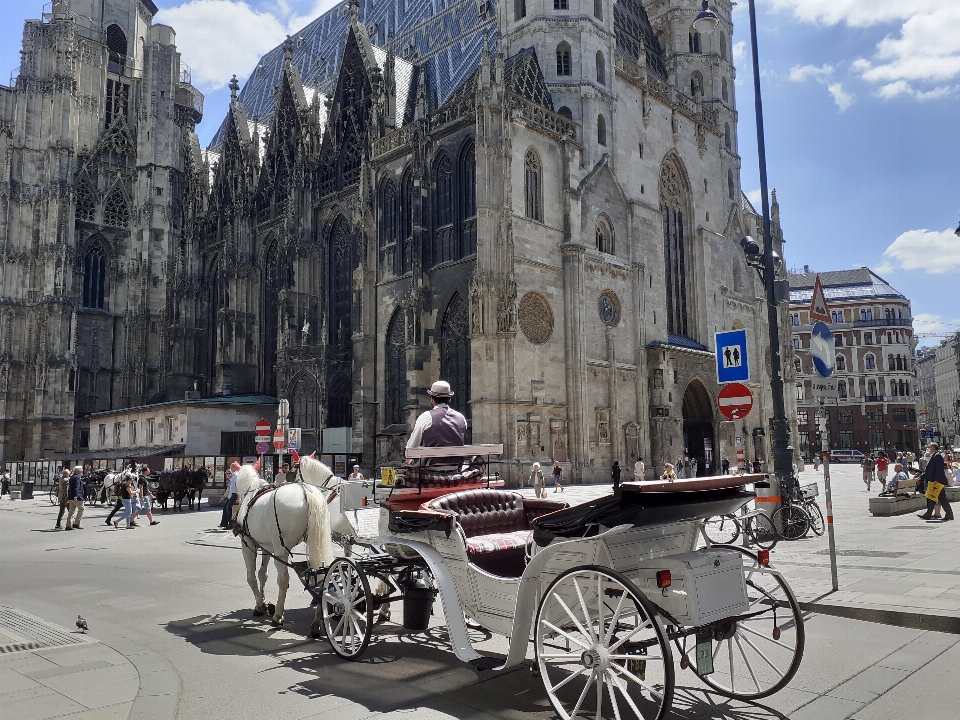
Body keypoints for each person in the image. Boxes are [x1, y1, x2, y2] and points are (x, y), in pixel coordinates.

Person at [406, 380, 467, 473]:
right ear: (450, 398)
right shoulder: (461, 418)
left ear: (431, 399)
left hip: (430, 470)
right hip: (454, 469)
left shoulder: (426, 417)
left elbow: (411, 449)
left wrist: (407, 466)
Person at [918, 442, 954, 522]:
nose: (928, 449)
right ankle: (948, 515)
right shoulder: (933, 456)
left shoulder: (937, 456)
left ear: (933, 448)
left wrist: (937, 480)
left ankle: (930, 514)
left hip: (936, 482)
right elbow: (929, 470)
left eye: (929, 447)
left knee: (935, 498)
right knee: (937, 498)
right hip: (934, 481)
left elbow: (939, 469)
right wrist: (921, 477)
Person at [220, 461, 241, 529]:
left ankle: (231, 523)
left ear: (234, 467)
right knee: (228, 508)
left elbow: (238, 487)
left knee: (228, 508)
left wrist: (238, 497)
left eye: (231, 467)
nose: (230, 468)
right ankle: (229, 523)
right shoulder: (234, 475)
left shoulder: (236, 476)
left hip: (235, 495)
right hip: (232, 495)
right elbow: (230, 488)